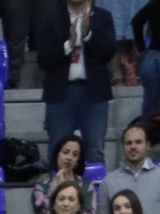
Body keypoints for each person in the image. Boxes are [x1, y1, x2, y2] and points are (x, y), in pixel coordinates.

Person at [37, 0, 114, 153]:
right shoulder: (51, 17)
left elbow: (108, 53)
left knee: (95, 149)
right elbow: (43, 60)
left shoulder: (102, 16)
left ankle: (94, 178)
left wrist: (87, 36)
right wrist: (69, 45)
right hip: (61, 93)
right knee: (59, 150)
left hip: (94, 94)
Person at [30, 132, 90, 214]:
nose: (69, 157)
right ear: (57, 154)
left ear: (78, 161)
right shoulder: (41, 188)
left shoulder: (87, 187)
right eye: (65, 152)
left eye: (75, 155)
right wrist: (55, 186)